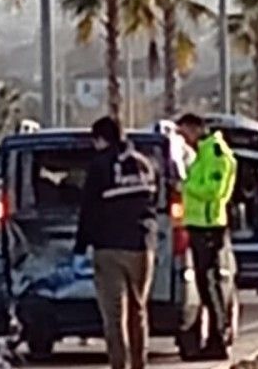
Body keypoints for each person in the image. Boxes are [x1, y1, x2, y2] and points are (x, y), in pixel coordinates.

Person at [75, 116, 158, 369]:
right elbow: (155, 202)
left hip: (109, 247)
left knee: (114, 315)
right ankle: (139, 363)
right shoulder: (145, 164)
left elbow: (88, 209)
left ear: (101, 139)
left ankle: (119, 364)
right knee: (138, 310)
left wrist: (81, 246)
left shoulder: (100, 166)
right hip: (142, 245)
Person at [176, 113, 237, 360]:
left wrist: (185, 186)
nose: (185, 139)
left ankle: (218, 339)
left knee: (211, 286)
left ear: (196, 129)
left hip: (209, 226)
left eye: (185, 133)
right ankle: (214, 338)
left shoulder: (216, 154)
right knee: (205, 285)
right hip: (198, 224)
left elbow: (214, 190)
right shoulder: (202, 153)